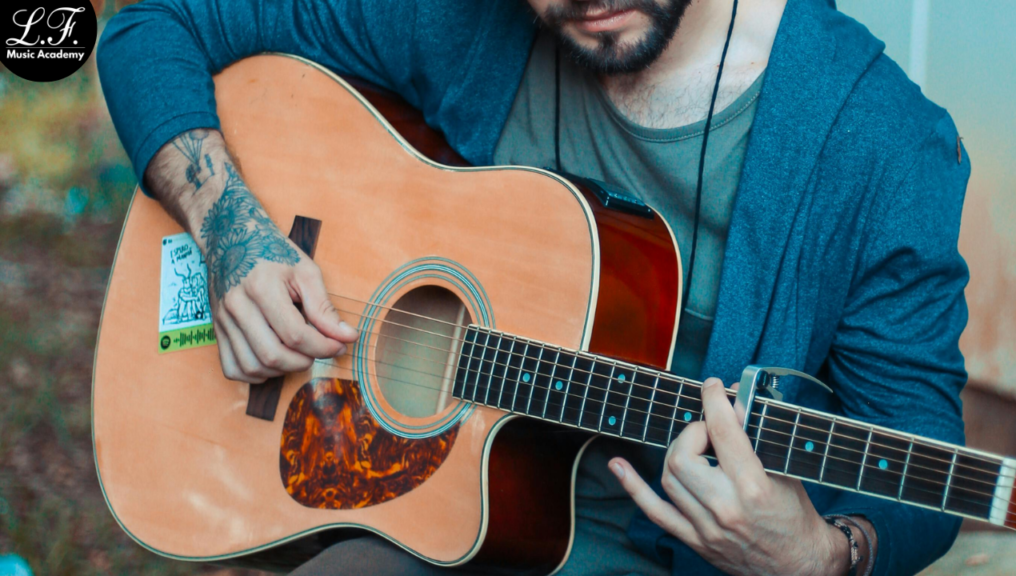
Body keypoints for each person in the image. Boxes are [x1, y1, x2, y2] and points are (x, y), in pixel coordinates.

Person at [96, 0, 972, 574]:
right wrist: (231, 235)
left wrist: (824, 556)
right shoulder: (466, 19)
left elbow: (920, 454)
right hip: (445, 515)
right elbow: (154, 30)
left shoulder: (883, 145)